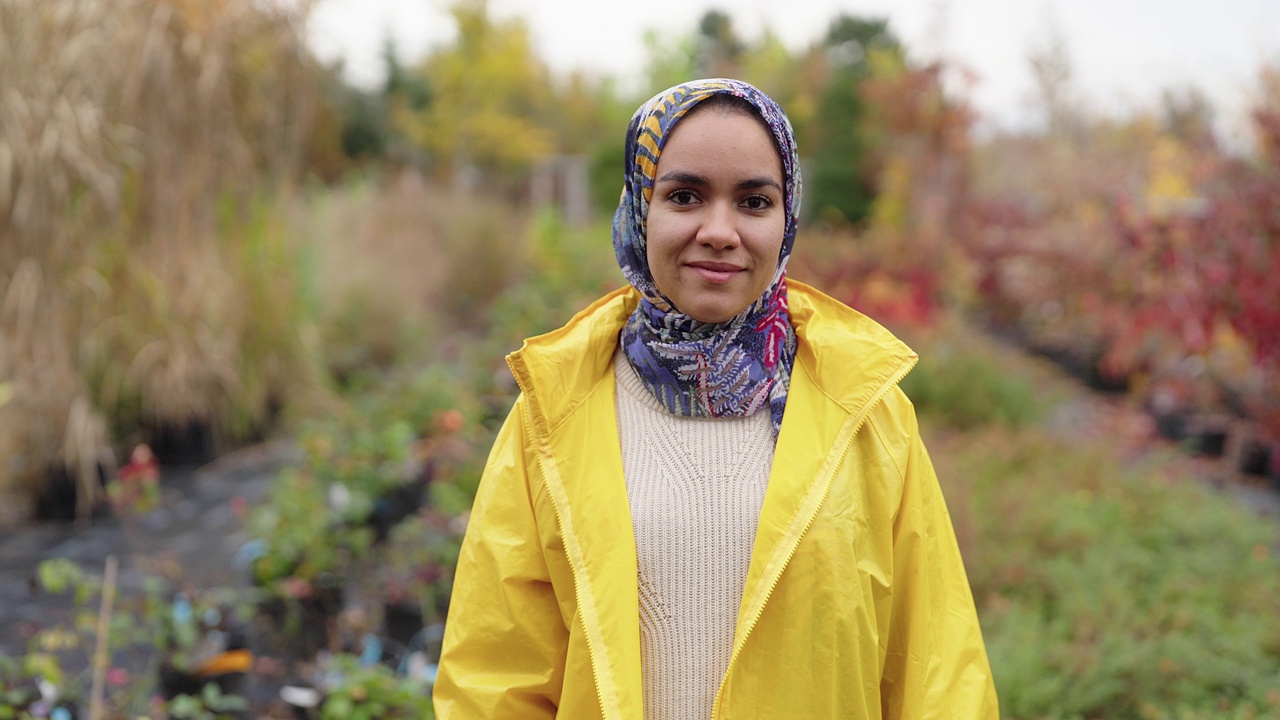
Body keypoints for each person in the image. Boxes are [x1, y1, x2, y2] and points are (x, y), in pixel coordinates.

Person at [433, 78, 998, 719]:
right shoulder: (553, 417)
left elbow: (937, 673)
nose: (720, 231)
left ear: (787, 220)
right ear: (639, 208)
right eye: (685, 196)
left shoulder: (867, 415)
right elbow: (493, 681)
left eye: (754, 201)